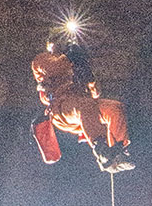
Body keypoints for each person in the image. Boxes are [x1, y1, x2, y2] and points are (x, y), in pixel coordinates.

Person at [30, 42, 133, 173]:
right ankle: (101, 149)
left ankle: (118, 152)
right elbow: (55, 67)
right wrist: (70, 57)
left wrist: (90, 78)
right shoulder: (42, 60)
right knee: (86, 106)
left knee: (115, 108)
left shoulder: (75, 63)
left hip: (84, 108)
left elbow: (95, 94)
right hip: (61, 108)